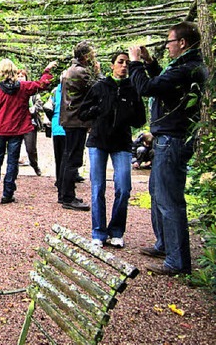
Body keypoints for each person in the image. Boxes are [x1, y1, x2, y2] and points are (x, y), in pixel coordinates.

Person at [128, 22, 208, 275]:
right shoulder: (187, 66)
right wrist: (151, 64)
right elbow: (164, 82)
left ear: (182, 43)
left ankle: (177, 261)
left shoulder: (188, 68)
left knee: (169, 200)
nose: (167, 46)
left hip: (172, 141)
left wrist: (136, 64)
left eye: (169, 42)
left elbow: (148, 88)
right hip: (169, 138)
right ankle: (164, 245)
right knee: (157, 192)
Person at [79, 51, 146, 248]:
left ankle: (116, 230)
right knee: (98, 187)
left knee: (123, 188)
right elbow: (83, 112)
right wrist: (99, 110)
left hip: (122, 142)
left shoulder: (132, 89)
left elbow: (141, 119)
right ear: (112, 65)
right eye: (120, 62)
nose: (124, 65)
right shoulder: (100, 87)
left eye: (127, 62)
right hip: (99, 141)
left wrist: (128, 113)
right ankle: (98, 232)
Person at [0, 59, 57, 204]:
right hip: (16, 130)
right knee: (12, 162)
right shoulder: (23, 87)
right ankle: (8, 193)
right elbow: (41, 85)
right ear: (14, 72)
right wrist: (47, 71)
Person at [57, 40, 100, 211]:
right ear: (85, 56)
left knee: (67, 156)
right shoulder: (81, 72)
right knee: (73, 158)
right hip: (76, 120)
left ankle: (64, 194)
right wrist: (98, 72)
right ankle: (68, 197)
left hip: (70, 119)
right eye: (92, 54)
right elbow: (99, 88)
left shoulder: (69, 70)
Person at [18, 70, 43, 176]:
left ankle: (35, 164)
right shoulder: (13, 90)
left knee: (30, 148)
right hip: (17, 123)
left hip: (30, 123)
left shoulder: (33, 92)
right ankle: (13, 170)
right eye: (18, 75)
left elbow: (39, 104)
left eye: (22, 76)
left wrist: (33, 109)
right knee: (15, 147)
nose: (20, 77)